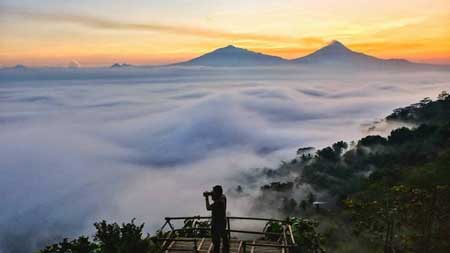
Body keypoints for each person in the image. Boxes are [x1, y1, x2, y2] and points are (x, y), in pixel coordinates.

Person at [204, 185, 229, 253]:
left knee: (216, 241)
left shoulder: (219, 203)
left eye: (213, 193)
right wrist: (210, 193)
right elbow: (217, 194)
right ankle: (225, 248)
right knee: (224, 236)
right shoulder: (223, 197)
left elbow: (208, 208)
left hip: (216, 223)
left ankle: (217, 250)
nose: (212, 194)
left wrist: (206, 197)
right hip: (223, 221)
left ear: (217, 193)